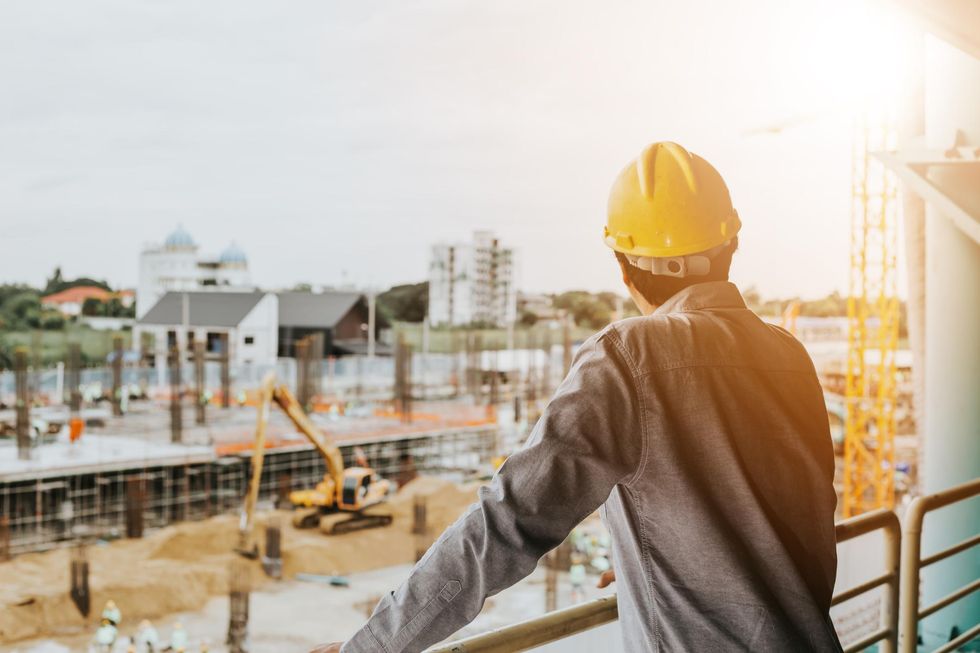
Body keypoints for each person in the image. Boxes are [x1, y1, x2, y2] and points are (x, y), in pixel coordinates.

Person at [310, 141, 842, 652]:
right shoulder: (789, 355)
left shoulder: (630, 355)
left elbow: (509, 521)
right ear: (732, 245)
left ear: (623, 265)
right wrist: (652, 568)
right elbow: (794, 525)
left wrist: (371, 647)